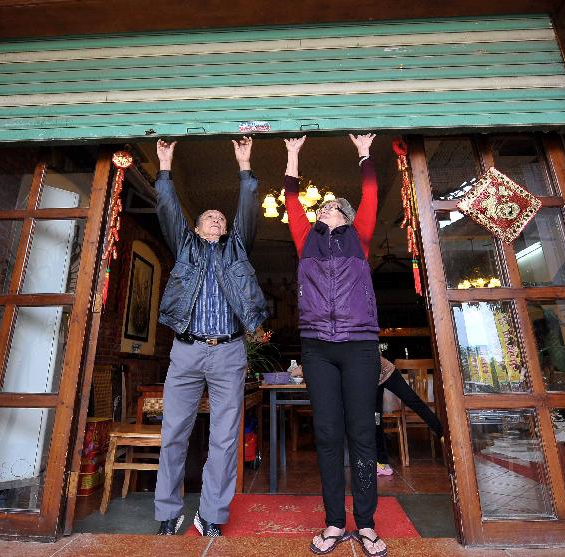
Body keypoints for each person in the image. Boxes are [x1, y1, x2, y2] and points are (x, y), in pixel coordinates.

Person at [153, 137, 269, 537]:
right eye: (210, 217)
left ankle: (211, 514)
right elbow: (168, 208)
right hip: (186, 351)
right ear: (196, 227)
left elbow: (248, 209)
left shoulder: (237, 248)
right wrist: (164, 166)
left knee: (225, 437)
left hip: (229, 351)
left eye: (222, 218)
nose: (217, 220)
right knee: (174, 434)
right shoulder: (185, 246)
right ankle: (168, 512)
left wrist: (244, 165)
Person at [283, 134, 387, 557]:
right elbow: (291, 199)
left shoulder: (360, 236)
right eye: (321, 206)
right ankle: (333, 521)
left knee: (361, 433)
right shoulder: (305, 239)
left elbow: (371, 193)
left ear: (346, 214)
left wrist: (364, 154)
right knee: (327, 435)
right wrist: (292, 154)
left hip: (359, 345)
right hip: (317, 348)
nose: (325, 208)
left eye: (332, 206)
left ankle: (366, 523)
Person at [375, 356, 443, 476]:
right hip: (373, 382)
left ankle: (442, 434)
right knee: (376, 419)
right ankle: (382, 461)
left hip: (388, 372)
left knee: (413, 400)